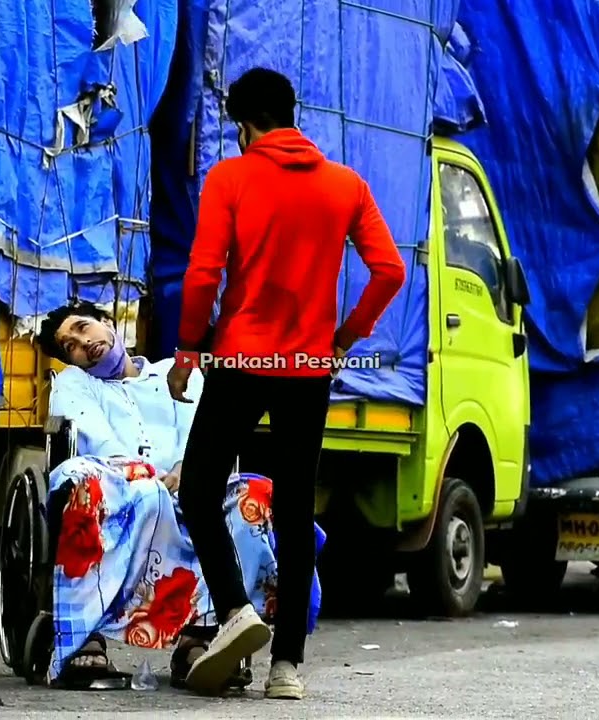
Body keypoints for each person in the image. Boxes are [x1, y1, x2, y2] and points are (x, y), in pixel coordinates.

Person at [168, 67, 406, 700]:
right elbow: (389, 270)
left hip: (241, 360)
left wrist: (190, 347)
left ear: (245, 125)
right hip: (308, 368)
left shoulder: (231, 177)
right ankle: (287, 669)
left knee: (198, 487)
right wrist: (345, 337)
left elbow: (202, 274)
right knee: (296, 510)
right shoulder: (345, 185)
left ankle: (235, 611)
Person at [35, 301, 324, 691]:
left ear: (108, 323)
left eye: (85, 328)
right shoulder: (74, 385)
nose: (83, 343)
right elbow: (95, 442)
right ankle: (85, 636)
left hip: (192, 487)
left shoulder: (174, 374)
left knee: (253, 494)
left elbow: (206, 434)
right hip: (125, 493)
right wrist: (149, 477)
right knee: (85, 479)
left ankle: (203, 636)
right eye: (70, 345)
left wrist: (191, 469)